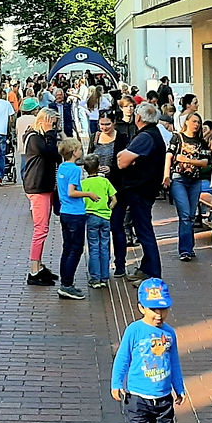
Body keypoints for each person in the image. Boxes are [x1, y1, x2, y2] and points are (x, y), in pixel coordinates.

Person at [110, 278, 185, 423]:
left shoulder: (169, 333)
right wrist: (116, 382)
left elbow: (174, 361)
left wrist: (179, 387)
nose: (158, 314)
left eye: (163, 309)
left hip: (164, 399)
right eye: (153, 309)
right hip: (138, 399)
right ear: (141, 308)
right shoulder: (134, 330)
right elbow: (122, 358)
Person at [114, 103, 166, 283]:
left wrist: (127, 157)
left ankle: (153, 274)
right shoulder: (152, 134)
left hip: (140, 190)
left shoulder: (145, 136)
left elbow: (122, 161)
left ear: (139, 118)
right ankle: (146, 267)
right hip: (144, 188)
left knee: (144, 231)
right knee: (142, 229)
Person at [163, 111, 212, 262]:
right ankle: (184, 250)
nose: (196, 125)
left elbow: (205, 162)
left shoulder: (201, 142)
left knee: (190, 215)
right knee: (184, 215)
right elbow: (169, 156)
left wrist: (186, 160)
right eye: (194, 121)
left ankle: (189, 248)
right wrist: (166, 176)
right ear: (187, 122)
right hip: (179, 179)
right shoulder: (177, 137)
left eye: (198, 122)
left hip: (195, 180)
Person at [56, 137, 99, 300]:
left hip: (65, 212)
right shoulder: (74, 169)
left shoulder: (62, 167)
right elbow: (72, 192)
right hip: (75, 213)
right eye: (80, 149)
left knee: (67, 248)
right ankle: (67, 285)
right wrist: (89, 194)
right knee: (75, 249)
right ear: (74, 152)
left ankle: (65, 282)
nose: (81, 151)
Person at [22, 107, 62, 286]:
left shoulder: (39, 138)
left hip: (45, 186)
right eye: (53, 123)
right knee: (41, 229)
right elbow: (52, 153)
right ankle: (34, 269)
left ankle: (38, 265)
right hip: (38, 187)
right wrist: (51, 133)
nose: (55, 127)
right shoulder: (34, 138)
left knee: (43, 228)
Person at [83, 154, 117, 289]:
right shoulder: (105, 182)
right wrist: (109, 209)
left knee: (93, 246)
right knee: (104, 246)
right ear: (98, 168)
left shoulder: (83, 184)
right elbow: (114, 199)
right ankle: (104, 276)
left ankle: (95, 278)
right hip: (105, 217)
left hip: (91, 216)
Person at [89, 111, 127, 177]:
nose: (104, 127)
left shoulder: (121, 138)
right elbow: (89, 158)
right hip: (97, 178)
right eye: (102, 124)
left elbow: (125, 160)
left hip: (115, 178)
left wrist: (111, 168)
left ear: (114, 122)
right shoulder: (94, 137)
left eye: (107, 124)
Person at [15, 97, 40, 174]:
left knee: (24, 165)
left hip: (23, 146)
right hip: (33, 146)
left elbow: (17, 131)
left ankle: (24, 179)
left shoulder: (19, 119)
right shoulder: (35, 119)